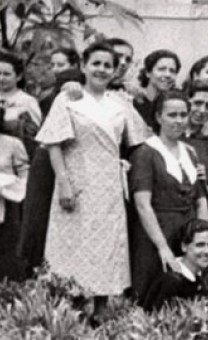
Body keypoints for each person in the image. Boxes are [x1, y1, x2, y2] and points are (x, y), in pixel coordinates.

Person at [35, 42, 147, 317]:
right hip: (76, 182)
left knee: (105, 248)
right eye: (95, 63)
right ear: (83, 66)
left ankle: (100, 313)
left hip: (108, 186)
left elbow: (141, 138)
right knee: (71, 248)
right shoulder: (69, 99)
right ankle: (66, 315)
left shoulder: (120, 103)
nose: (101, 69)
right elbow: (52, 143)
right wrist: (63, 182)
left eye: (108, 65)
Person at [129, 90, 208, 301]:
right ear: (158, 117)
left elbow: (201, 199)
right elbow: (142, 204)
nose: (179, 121)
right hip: (157, 233)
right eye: (172, 115)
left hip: (187, 234)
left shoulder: (190, 152)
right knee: (155, 292)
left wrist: (203, 239)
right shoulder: (146, 153)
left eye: (183, 115)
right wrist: (163, 248)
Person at [141, 219, 208, 311]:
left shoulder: (199, 278)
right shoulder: (170, 282)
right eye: (200, 245)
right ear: (184, 246)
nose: (207, 251)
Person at [182, 81, 208, 218]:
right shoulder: (171, 135)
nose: (202, 110)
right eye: (197, 103)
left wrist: (204, 185)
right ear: (186, 101)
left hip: (202, 214)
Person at [0, 106, 29, 281]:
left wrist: (9, 184)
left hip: (8, 202)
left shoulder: (12, 144)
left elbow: (25, 172)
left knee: (7, 248)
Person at [0, 52, 42, 158]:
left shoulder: (27, 101)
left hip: (19, 155)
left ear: (18, 76)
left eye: (6, 74)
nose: (1, 78)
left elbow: (34, 134)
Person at [134, 49, 181, 130]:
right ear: (148, 73)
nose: (167, 75)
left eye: (172, 71)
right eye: (161, 69)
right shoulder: (132, 101)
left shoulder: (172, 107)